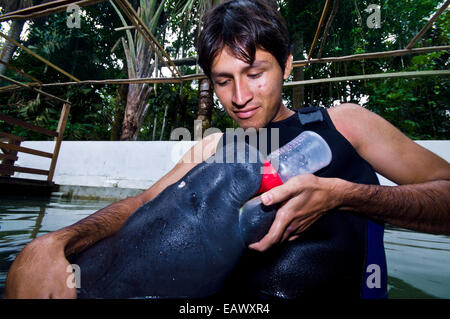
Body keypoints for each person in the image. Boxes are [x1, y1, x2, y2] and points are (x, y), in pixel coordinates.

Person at [4, 0, 450, 299]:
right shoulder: (214, 147)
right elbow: (142, 205)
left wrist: (347, 196)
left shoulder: (344, 123)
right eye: (222, 80)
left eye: (255, 72)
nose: (239, 96)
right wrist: (54, 242)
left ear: (288, 66)